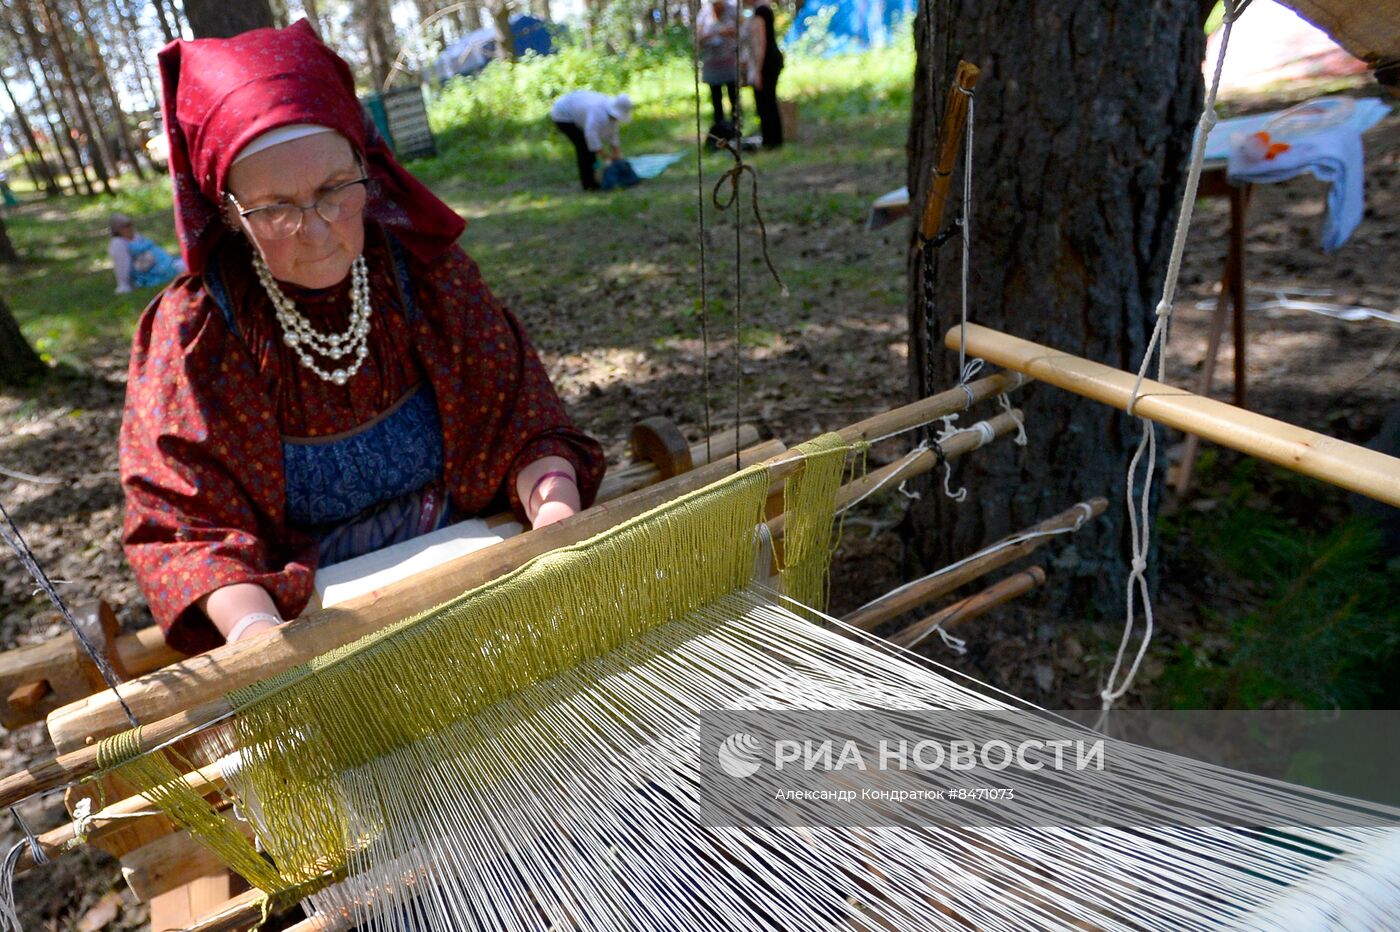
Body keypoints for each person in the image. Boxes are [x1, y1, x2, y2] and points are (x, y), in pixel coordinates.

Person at [121, 20, 605, 655]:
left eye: (333, 191)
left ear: (366, 170)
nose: (315, 231)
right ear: (229, 213)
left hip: (488, 584)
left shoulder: (428, 278)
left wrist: (554, 525)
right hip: (312, 633)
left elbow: (523, 422)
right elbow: (188, 524)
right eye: (273, 208)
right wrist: (259, 640)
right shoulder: (200, 332)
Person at [550, 90, 633, 191]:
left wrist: (616, 152)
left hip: (577, 113)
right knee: (583, 147)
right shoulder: (597, 111)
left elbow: (613, 132)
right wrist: (605, 157)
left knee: (588, 148)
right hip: (563, 114)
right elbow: (591, 135)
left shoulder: (610, 112)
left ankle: (594, 179)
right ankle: (589, 184)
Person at [742, 0, 785, 149]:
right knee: (766, 101)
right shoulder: (759, 10)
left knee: (766, 102)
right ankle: (771, 138)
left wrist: (758, 71)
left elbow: (761, 43)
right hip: (766, 63)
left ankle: (772, 140)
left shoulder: (762, 11)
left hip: (767, 63)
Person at [695, 0, 740, 142]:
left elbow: (743, 30)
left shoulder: (732, 10)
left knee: (734, 98)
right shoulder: (704, 14)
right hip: (712, 64)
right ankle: (720, 134)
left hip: (730, 62)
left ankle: (736, 130)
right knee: (716, 100)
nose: (717, 7)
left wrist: (729, 32)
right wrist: (711, 34)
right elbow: (697, 39)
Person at [108, 213, 186, 294]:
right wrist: (123, 284)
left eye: (130, 224)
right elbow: (122, 265)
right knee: (187, 266)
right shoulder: (118, 244)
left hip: (166, 263)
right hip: (153, 272)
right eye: (125, 226)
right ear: (117, 230)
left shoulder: (137, 237)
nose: (130, 228)